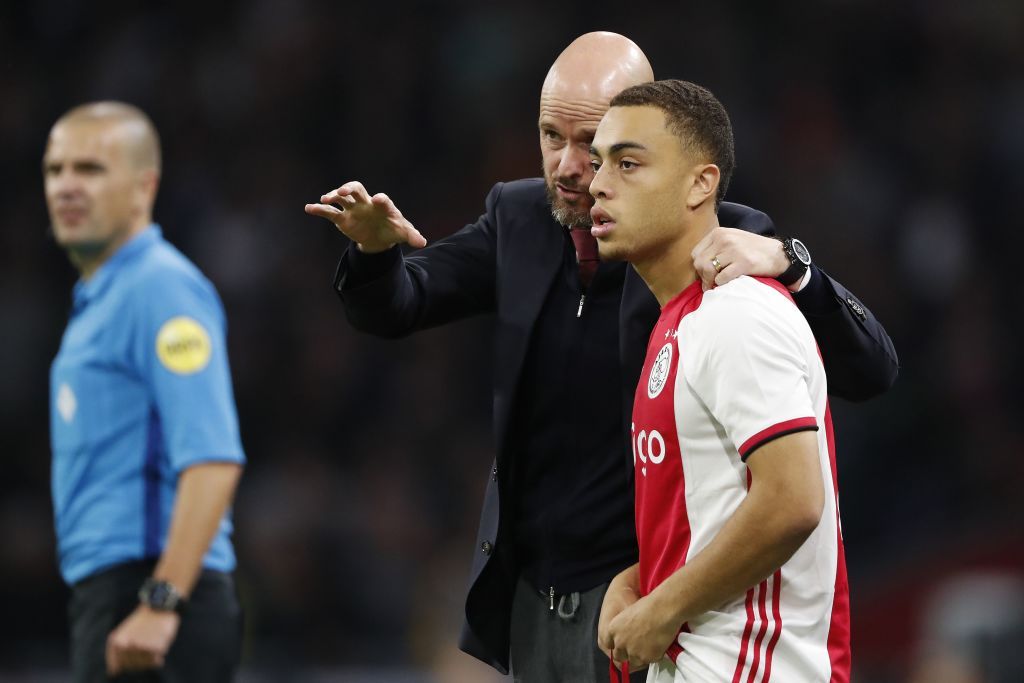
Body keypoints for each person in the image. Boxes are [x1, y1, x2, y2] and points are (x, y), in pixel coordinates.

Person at [305, 32, 894, 682]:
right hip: (536, 600)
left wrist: (793, 264)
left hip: (648, 600)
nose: (568, 165)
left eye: (597, 145)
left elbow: (869, 370)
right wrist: (373, 253)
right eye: (551, 136)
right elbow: (400, 303)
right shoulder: (521, 218)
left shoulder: (710, 237)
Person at [590, 79, 847, 681]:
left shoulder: (737, 312)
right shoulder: (678, 325)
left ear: (701, 184)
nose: (599, 183)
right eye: (600, 163)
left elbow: (791, 502)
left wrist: (663, 606)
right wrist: (635, 581)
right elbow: (707, 515)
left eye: (628, 164)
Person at [45, 101, 245, 682]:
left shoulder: (160, 287)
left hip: (155, 596)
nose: (67, 187)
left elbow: (213, 459)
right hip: (113, 594)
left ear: (143, 187)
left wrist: (162, 602)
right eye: (55, 171)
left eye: (90, 169)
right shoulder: (101, 301)